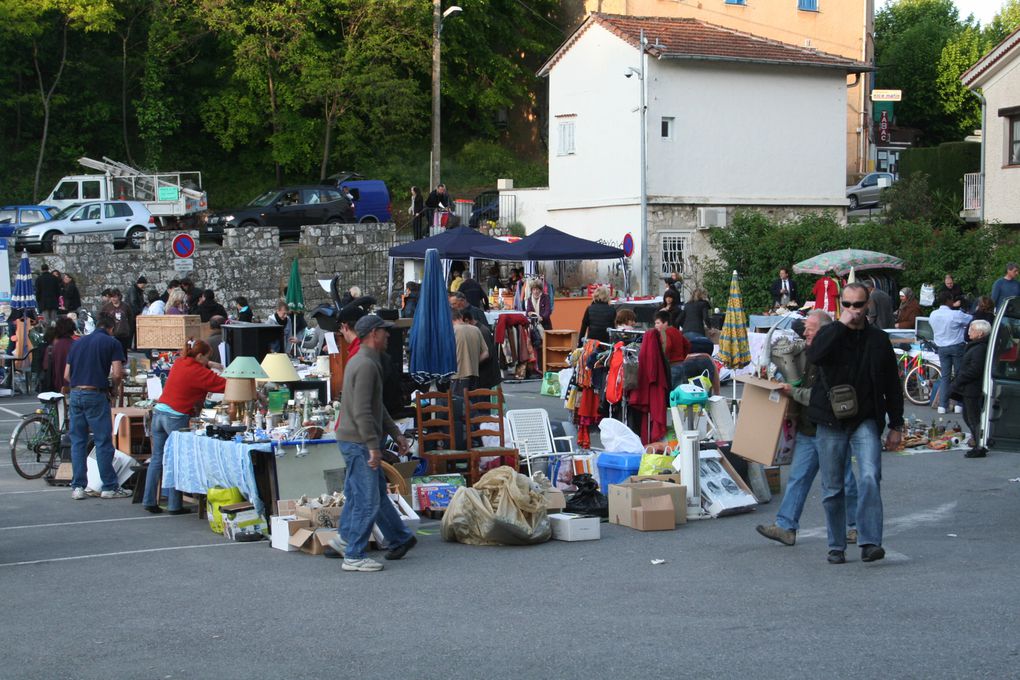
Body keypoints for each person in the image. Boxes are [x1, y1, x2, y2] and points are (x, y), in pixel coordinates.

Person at [807, 282, 903, 565]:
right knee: (833, 486)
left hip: (865, 419)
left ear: (868, 305)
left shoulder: (878, 340)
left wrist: (896, 425)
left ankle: (870, 541)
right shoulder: (830, 333)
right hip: (829, 419)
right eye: (847, 305)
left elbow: (892, 385)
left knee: (870, 477)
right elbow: (815, 356)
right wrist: (839, 325)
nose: (853, 311)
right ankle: (836, 545)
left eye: (858, 305)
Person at [756, 310, 859, 547]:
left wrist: (794, 393)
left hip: (830, 427)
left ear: (825, 331)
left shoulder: (835, 354)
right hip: (808, 426)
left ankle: (855, 526)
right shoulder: (810, 351)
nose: (805, 333)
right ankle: (785, 526)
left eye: (810, 329)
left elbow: (825, 396)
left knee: (843, 479)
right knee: (798, 478)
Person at [331, 314, 417, 572]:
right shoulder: (367, 364)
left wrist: (395, 433)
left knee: (369, 492)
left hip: (354, 438)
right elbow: (363, 410)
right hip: (358, 440)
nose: (388, 335)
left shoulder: (364, 360)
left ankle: (395, 537)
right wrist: (372, 445)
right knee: (367, 498)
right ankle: (353, 554)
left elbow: (374, 406)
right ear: (372, 334)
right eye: (384, 331)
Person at [144, 340, 226, 514]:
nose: (207, 361)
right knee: (175, 458)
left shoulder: (180, 362)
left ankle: (149, 500)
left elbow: (192, 360)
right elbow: (225, 384)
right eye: (207, 357)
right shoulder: (199, 372)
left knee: (157, 458)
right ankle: (174, 505)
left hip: (158, 412)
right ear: (199, 356)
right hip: (176, 416)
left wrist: (210, 363)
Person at [65, 312, 128, 500]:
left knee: (78, 441)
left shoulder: (77, 343)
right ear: (111, 328)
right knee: (102, 441)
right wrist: (114, 388)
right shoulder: (112, 343)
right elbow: (117, 373)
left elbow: (67, 375)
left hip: (75, 393)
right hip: (95, 393)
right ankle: (109, 486)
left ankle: (78, 486)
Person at [951, 320, 992, 459]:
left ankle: (979, 446)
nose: (969, 332)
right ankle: (977, 442)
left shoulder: (980, 347)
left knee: (973, 418)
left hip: (972, 388)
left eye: (972, 329)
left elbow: (975, 370)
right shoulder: (976, 345)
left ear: (980, 333)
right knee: (968, 416)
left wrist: (960, 378)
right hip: (968, 387)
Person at [929, 290, 973, 414]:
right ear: (949, 301)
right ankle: (959, 404)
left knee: (945, 377)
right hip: (957, 346)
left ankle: (942, 405)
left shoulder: (933, 314)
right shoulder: (955, 314)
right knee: (959, 375)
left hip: (941, 347)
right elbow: (970, 319)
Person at [451, 308, 489, 395]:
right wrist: (473, 363)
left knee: (459, 405)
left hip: (457, 375)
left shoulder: (452, 331)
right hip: (474, 374)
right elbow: (486, 353)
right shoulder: (476, 329)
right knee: (471, 405)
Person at [655, 310, 691, 386]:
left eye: (658, 323)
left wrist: (663, 359)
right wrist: (682, 357)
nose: (656, 325)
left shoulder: (664, 332)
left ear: (666, 323)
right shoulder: (677, 331)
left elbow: (667, 346)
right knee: (680, 391)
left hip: (671, 366)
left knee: (672, 393)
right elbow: (687, 345)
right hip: (682, 365)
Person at [44, 316, 77, 392]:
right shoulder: (76, 345)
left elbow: (46, 366)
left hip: (57, 385)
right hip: (73, 385)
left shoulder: (54, 346)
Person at [102, 289, 134, 357]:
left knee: (123, 353)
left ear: (119, 296)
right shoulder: (106, 307)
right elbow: (101, 318)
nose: (113, 299)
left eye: (115, 297)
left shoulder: (126, 306)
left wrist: (128, 329)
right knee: (112, 353)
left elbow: (131, 318)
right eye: (111, 297)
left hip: (123, 334)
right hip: (111, 334)